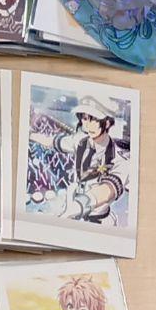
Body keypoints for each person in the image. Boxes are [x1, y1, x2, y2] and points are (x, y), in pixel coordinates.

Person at [30, 95, 130, 223]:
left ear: (107, 123)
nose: (87, 125)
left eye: (94, 120)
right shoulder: (80, 142)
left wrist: (80, 205)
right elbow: (54, 142)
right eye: (85, 118)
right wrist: (30, 135)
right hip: (75, 215)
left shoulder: (120, 158)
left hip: (100, 221)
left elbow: (108, 189)